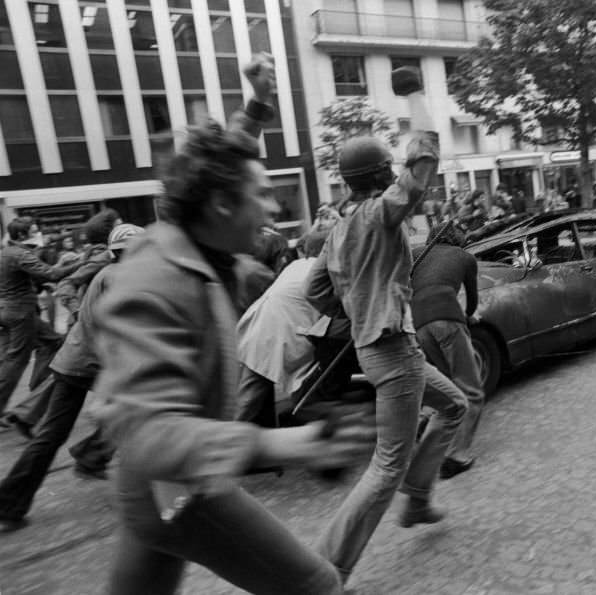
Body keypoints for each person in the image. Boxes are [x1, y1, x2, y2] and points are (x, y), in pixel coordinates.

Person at [91, 55, 376, 595]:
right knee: (317, 586)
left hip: (157, 489)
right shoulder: (150, 282)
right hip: (171, 483)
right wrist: (290, 445)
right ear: (221, 206)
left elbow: (226, 162)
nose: (271, 209)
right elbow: (152, 435)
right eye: (262, 196)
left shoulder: (199, 230)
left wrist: (259, 101)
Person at [308, 68, 467, 587]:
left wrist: (359, 308)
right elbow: (421, 165)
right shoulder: (378, 215)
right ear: (379, 177)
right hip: (394, 353)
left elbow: (316, 292)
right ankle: (328, 568)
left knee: (454, 406)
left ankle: (418, 501)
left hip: (384, 349)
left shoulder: (336, 231)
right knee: (386, 464)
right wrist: (417, 96)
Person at [0, 224, 143, 533]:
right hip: (93, 364)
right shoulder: (123, 281)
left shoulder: (108, 274)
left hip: (73, 362)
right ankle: (102, 464)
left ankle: (10, 502)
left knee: (50, 435)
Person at [235, 230, 330, 428]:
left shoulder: (298, 265)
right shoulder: (320, 271)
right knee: (249, 398)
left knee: (254, 393)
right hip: (273, 334)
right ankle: (225, 442)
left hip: (262, 327)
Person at [411, 221, 482, 480]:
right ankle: (457, 456)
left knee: (446, 383)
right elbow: (472, 299)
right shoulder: (464, 257)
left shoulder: (417, 254)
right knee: (472, 391)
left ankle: (424, 420)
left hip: (419, 324)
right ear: (458, 238)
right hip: (448, 318)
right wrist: (468, 316)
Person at [0, 218, 81, 416]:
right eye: (35, 230)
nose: (39, 234)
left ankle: (37, 389)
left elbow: (37, 277)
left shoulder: (6, 252)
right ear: (21, 235)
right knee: (16, 361)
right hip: (20, 313)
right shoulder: (20, 254)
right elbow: (51, 274)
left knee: (52, 342)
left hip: (9, 311)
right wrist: (83, 262)